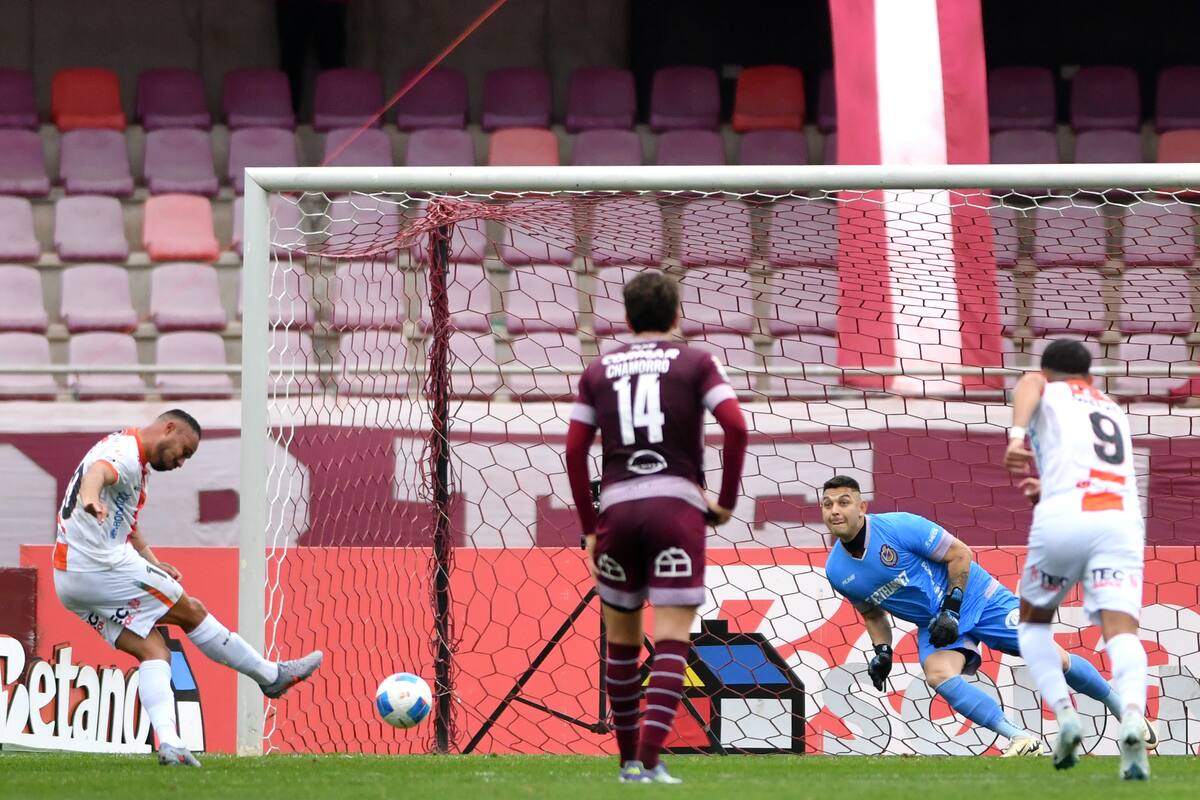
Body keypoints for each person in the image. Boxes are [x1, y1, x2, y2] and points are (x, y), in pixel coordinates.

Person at [52, 410, 323, 767]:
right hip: (99, 566)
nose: (182, 461)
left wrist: (152, 562)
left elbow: (128, 527)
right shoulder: (126, 456)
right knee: (191, 611)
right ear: (169, 428)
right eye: (185, 451)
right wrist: (90, 497)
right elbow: (97, 473)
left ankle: (171, 744)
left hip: (69, 580)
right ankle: (270, 676)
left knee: (153, 651)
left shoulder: (131, 460)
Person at [819, 474, 1150, 757]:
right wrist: (883, 651)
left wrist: (952, 607)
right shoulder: (837, 570)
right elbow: (873, 614)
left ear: (861, 508)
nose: (835, 510)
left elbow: (960, 554)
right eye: (828, 504)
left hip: (980, 598)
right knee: (938, 675)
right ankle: (1020, 737)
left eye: (844, 502)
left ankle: (1123, 709)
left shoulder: (901, 526)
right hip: (935, 625)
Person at [565, 271, 747, 784]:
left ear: (626, 317)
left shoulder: (599, 369)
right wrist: (725, 502)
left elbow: (575, 449)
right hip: (676, 508)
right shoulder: (696, 361)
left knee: (621, 642)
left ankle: (627, 764)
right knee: (671, 639)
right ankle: (650, 759)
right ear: (675, 317)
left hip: (617, 511)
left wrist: (589, 526)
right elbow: (735, 425)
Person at [1005, 339, 1151, 780]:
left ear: (1048, 372)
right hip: (1121, 524)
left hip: (1066, 518)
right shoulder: (1112, 408)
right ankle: (1132, 716)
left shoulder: (1042, 386)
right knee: (1122, 631)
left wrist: (1015, 438)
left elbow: (1029, 382)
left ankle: (1066, 715)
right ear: (1090, 377)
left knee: (1032, 623)